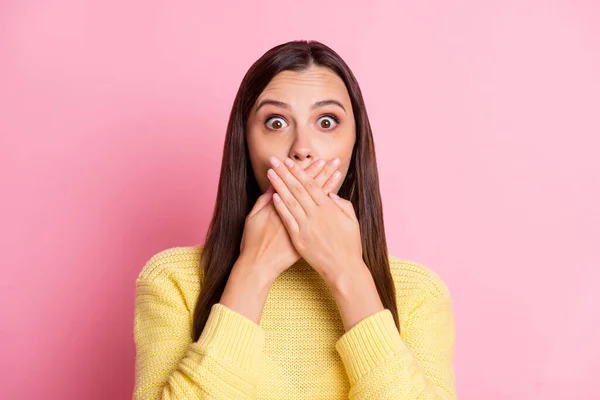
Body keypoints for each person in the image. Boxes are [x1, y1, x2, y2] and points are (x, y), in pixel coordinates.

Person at [133, 40, 456, 399]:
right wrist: (253, 269)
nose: (302, 147)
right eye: (276, 122)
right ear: (246, 144)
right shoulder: (173, 281)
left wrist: (348, 273)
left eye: (327, 121)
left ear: (355, 143)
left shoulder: (418, 294)